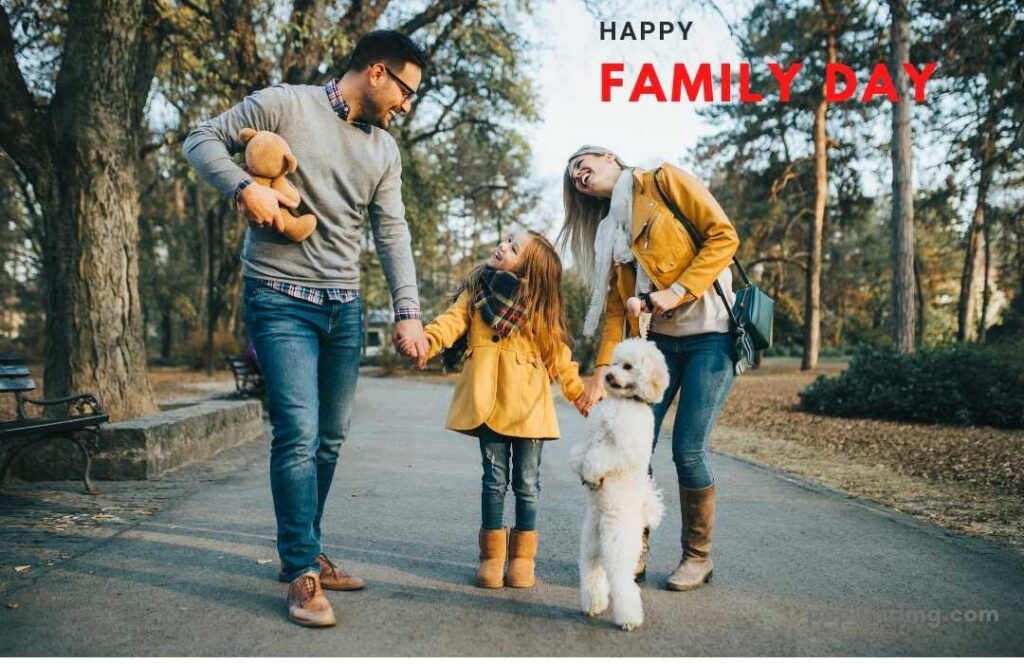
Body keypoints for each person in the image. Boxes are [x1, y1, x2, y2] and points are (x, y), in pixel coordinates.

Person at [183, 30, 430, 628]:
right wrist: (244, 187)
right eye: (406, 90)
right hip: (278, 297)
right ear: (377, 72)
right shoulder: (284, 104)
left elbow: (391, 231)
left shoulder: (384, 152)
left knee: (330, 438)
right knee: (297, 430)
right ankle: (300, 571)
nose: (407, 104)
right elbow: (200, 139)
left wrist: (408, 312)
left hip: (342, 305)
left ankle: (305, 546)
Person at [559, 146, 740, 591]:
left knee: (687, 450)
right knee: (634, 447)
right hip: (656, 347)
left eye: (584, 165)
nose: (580, 176)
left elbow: (723, 236)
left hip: (712, 335)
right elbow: (618, 312)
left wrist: (674, 292)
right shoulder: (609, 233)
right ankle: (631, 547)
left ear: (609, 157)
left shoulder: (663, 181)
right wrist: (602, 373)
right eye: (573, 177)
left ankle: (697, 557)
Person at [411, 231, 588, 589]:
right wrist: (428, 340)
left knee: (527, 485)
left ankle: (522, 559)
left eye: (513, 247)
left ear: (530, 267)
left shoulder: (537, 304)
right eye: (506, 240)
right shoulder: (476, 289)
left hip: (528, 409)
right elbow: (452, 320)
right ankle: (492, 557)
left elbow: (558, 354)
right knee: (493, 482)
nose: (502, 247)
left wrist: (578, 391)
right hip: (486, 401)